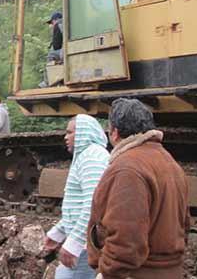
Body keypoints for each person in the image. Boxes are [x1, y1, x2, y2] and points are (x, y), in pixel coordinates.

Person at [87, 98, 189, 279]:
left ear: (114, 132)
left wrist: (109, 272)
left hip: (136, 273)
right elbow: (184, 225)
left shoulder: (127, 168)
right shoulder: (169, 162)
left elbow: (126, 240)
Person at [45, 115, 109, 279]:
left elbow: (93, 205)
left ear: (83, 134)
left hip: (85, 244)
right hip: (84, 241)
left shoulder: (92, 158)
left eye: (70, 133)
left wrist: (74, 243)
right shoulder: (87, 155)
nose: (65, 137)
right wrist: (58, 233)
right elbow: (78, 206)